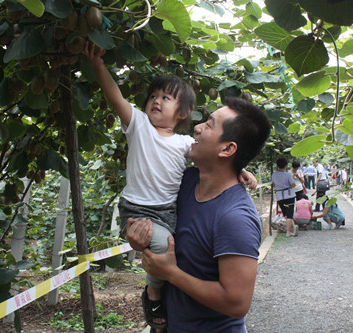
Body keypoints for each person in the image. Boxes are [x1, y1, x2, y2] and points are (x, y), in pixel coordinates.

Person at [84, 43, 257, 330]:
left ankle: (161, 296)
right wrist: (99, 67)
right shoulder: (139, 126)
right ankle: (153, 294)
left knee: (171, 248)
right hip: (138, 207)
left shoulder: (184, 144)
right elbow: (115, 98)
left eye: (166, 98)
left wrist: (239, 170)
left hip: (167, 209)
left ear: (182, 113)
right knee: (163, 245)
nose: (156, 100)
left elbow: (218, 157)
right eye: (153, 96)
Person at [126, 97, 272, 332]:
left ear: (227, 148)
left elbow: (237, 303)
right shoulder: (184, 181)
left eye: (209, 124)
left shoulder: (235, 218)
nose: (197, 127)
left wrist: (170, 273)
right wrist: (139, 239)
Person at [272, 157, 297, 237]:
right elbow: (293, 184)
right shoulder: (287, 175)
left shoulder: (274, 174)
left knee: (286, 214)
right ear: (286, 166)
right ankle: (288, 232)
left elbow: (274, 184)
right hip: (289, 195)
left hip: (280, 196)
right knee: (289, 214)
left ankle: (294, 228)